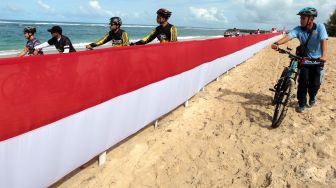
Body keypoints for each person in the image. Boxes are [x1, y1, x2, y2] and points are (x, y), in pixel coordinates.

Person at [271, 7, 328, 113]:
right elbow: (289, 36)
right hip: (304, 59)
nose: (301, 20)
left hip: (317, 60)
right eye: (300, 18)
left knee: (315, 84)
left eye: (303, 18)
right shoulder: (298, 29)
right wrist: (277, 43)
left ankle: (312, 97)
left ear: (311, 19)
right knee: (302, 82)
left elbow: (323, 40)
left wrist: (324, 55)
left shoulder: (320, 27)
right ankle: (301, 103)